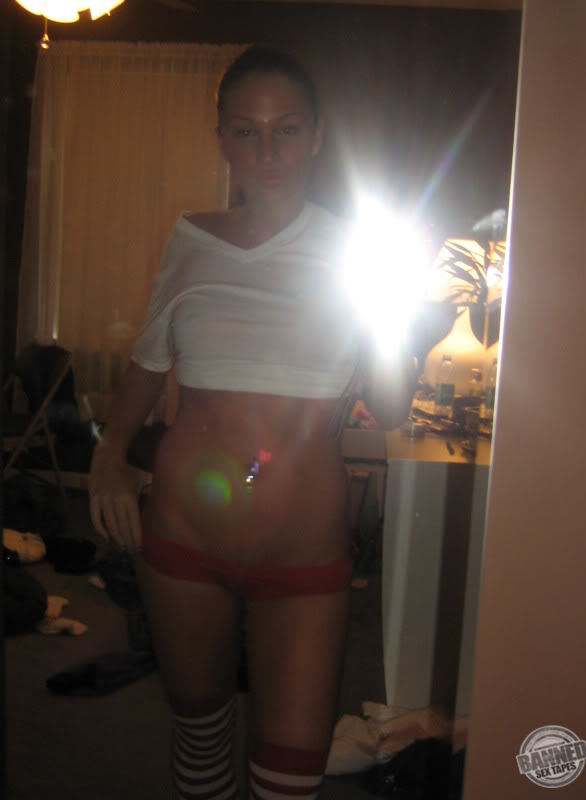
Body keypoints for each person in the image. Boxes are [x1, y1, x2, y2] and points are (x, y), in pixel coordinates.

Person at [89, 46, 418, 800]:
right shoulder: (190, 239)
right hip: (183, 542)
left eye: (287, 129)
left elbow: (395, 405)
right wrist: (109, 456)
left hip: (305, 560)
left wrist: (384, 309)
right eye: (246, 131)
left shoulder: (355, 250)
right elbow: (148, 361)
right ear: (223, 140)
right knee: (201, 750)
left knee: (289, 780)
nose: (267, 152)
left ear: (318, 135)